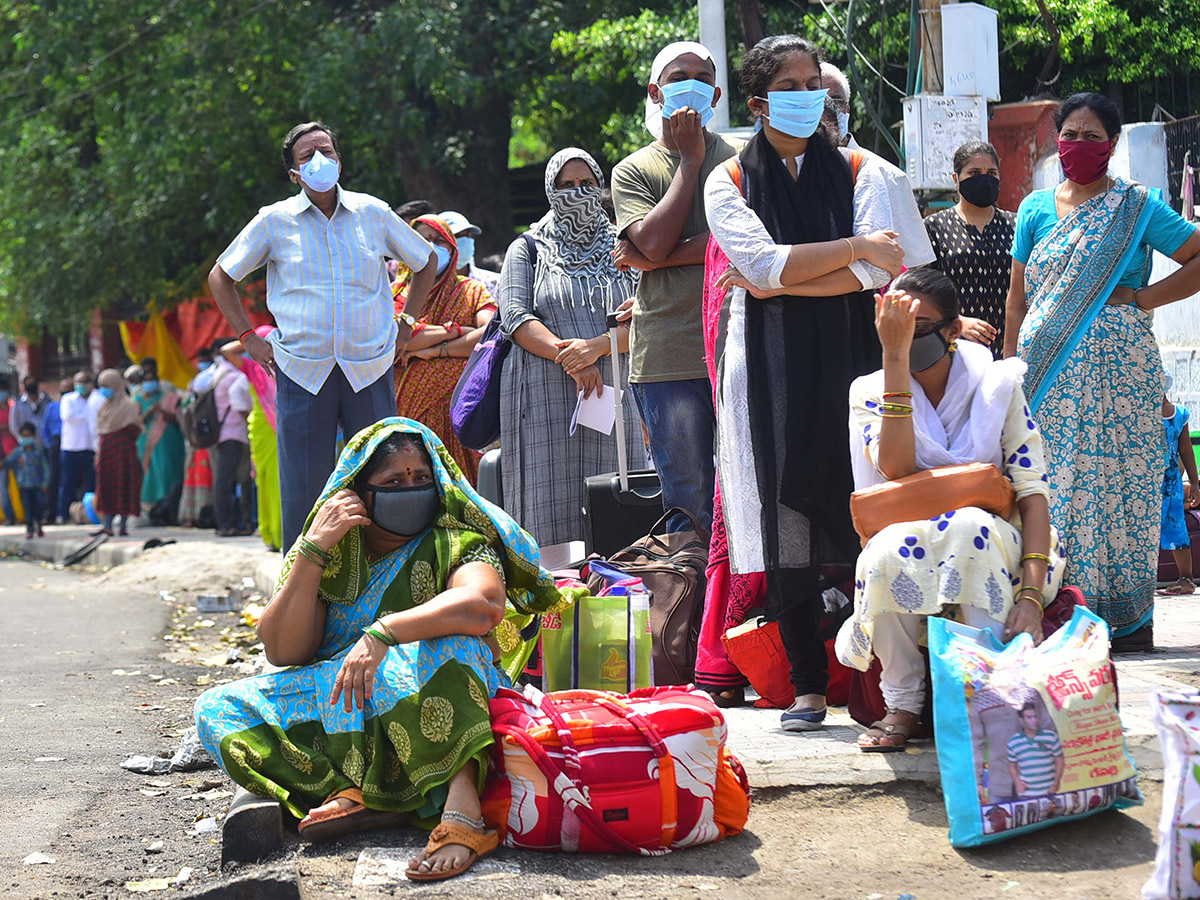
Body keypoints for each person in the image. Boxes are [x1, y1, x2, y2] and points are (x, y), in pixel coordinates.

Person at [193, 418, 567, 880]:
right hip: (348, 701)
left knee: (454, 643)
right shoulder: (333, 552)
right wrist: (313, 550)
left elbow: (484, 605)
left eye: (421, 479)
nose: (411, 489)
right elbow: (283, 649)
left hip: (428, 691)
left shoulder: (456, 540)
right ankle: (359, 791)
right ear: (359, 494)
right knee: (218, 708)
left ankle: (462, 804)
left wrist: (385, 632)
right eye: (394, 481)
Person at [700, 35, 910, 726]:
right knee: (781, 513)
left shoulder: (861, 170)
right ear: (760, 103)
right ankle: (808, 681)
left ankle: (880, 682)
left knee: (862, 499)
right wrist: (848, 251)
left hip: (853, 352)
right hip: (763, 363)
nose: (809, 94)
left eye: (813, 80)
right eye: (792, 84)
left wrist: (786, 280)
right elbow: (762, 267)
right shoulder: (726, 180)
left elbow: (879, 274)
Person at [834, 268, 1062, 750]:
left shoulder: (998, 384)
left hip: (997, 539)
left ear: (953, 330)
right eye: (892, 325)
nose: (904, 336)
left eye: (916, 327)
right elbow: (894, 467)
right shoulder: (868, 389)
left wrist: (1031, 596)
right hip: (910, 536)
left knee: (969, 527)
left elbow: (1032, 490)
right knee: (882, 553)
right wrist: (896, 361)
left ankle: (990, 693)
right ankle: (902, 703)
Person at [1005, 92, 1200, 650]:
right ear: (1057, 140)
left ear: (1112, 147)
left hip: (1123, 374)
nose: (1079, 146)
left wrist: (1142, 297)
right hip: (1048, 378)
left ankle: (1130, 620)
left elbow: (1195, 257)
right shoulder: (1036, 209)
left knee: (1125, 489)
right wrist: (1011, 368)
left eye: (1093, 138)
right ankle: (1065, 613)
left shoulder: (1137, 207)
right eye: (1071, 135)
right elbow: (1017, 300)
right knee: (1056, 489)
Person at [209, 120, 438, 553]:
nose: (320, 160)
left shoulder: (372, 212)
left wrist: (406, 323)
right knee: (305, 488)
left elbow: (424, 260)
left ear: (339, 159)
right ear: (294, 174)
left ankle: (381, 574)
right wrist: (247, 337)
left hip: (368, 365)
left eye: (327, 151)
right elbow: (221, 276)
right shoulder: (274, 221)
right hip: (302, 369)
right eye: (307, 156)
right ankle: (304, 592)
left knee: (383, 478)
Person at [610, 40, 738, 535]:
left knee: (747, 493)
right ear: (655, 92)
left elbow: (747, 243)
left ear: (718, 93)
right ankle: (691, 608)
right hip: (668, 360)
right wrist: (689, 160)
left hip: (735, 349)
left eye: (703, 78)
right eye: (679, 76)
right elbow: (656, 241)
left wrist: (652, 259)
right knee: (689, 504)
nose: (693, 86)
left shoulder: (742, 159)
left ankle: (745, 611)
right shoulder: (634, 169)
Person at [498, 148, 646, 568]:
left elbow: (648, 315)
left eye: (586, 184)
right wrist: (573, 359)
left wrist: (596, 347)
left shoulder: (625, 247)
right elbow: (515, 317)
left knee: (621, 495)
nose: (577, 194)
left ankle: (625, 594)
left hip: (615, 391)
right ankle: (552, 607)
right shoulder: (527, 248)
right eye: (566, 186)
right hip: (544, 397)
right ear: (550, 190)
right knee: (549, 505)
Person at [392, 214, 496, 484]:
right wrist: (456, 330)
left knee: (466, 485)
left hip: (463, 408)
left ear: (452, 248)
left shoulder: (470, 290)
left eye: (439, 240)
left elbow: (490, 332)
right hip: (408, 409)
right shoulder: (394, 293)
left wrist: (435, 351)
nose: (431, 246)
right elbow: (400, 340)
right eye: (422, 239)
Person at [924, 140, 1014, 358]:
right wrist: (958, 321)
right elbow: (923, 290)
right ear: (956, 179)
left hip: (1009, 346)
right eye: (974, 172)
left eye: (991, 173)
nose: (984, 179)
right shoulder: (934, 227)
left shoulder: (1016, 226)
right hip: (954, 345)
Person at [228, 330, 283, 550]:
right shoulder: (254, 368)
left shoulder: (286, 365)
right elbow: (227, 351)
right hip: (262, 431)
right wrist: (251, 339)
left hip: (284, 427)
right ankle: (270, 534)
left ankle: (281, 534)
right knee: (264, 480)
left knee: (281, 482)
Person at [211, 342, 255, 537]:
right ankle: (228, 524)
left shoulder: (219, 372)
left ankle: (227, 524)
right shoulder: (235, 376)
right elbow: (237, 396)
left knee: (225, 480)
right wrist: (250, 418)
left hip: (224, 434)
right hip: (234, 434)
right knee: (232, 480)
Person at [93, 369, 143, 536]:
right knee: (106, 487)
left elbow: (135, 430)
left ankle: (122, 525)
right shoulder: (104, 407)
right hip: (106, 454)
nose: (104, 389)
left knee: (124, 485)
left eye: (107, 386)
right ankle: (107, 525)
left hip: (123, 454)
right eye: (101, 386)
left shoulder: (128, 406)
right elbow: (101, 431)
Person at [134, 358, 186, 514]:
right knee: (151, 474)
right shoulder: (137, 397)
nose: (150, 383)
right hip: (146, 443)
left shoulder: (169, 396)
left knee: (167, 471)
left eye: (152, 380)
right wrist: (150, 412)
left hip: (169, 442)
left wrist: (161, 411)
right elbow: (137, 421)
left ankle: (169, 503)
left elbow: (178, 418)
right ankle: (152, 506)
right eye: (147, 380)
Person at [1160, 386, 1198, 594]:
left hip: (1170, 482)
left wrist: (1194, 482)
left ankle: (1186, 578)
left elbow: (1185, 449)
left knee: (1176, 526)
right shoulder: (1137, 414)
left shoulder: (1179, 414)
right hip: (1144, 481)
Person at [178, 349, 218, 528]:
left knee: (208, 475)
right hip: (195, 440)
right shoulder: (194, 384)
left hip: (207, 437)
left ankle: (206, 514)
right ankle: (191, 515)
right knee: (192, 476)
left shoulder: (211, 380)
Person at [58, 371, 102, 523]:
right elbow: (69, 417)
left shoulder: (96, 399)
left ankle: (89, 514)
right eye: (79, 382)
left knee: (91, 484)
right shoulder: (68, 399)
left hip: (90, 448)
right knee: (67, 483)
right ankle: (63, 514)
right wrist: (90, 417)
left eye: (85, 382)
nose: (81, 386)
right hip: (71, 447)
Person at [1006, 702, 1064, 799]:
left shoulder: (1050, 736)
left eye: (1035, 716)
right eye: (1029, 717)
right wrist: (1017, 782)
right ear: (1022, 720)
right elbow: (1011, 765)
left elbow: (1060, 760)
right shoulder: (1013, 742)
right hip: (1027, 793)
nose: (1034, 720)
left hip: (1049, 791)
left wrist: (1056, 783)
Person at [440, 211, 501, 298]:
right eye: (456, 236)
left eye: (468, 235)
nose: (465, 241)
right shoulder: (426, 287)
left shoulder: (495, 283)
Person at [3, 422, 49, 538]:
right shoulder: (18, 452)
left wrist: (45, 483)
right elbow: (7, 462)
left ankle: (39, 524)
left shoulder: (39, 451)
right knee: (27, 507)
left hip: (37, 484)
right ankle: (30, 529)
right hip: (24, 485)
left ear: (33, 436)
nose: (25, 438)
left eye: (28, 435)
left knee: (38, 506)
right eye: (23, 436)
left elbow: (45, 468)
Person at [10, 374, 50, 448]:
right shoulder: (19, 404)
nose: (31, 386)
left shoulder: (47, 400)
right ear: (25, 386)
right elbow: (14, 425)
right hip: (28, 445)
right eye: (29, 384)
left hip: (46, 443)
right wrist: (23, 439)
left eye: (33, 383)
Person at [0, 377, 17, 525]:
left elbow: (17, 428)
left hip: (17, 451)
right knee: (3, 489)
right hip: (1, 455)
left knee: (24, 485)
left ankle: (28, 515)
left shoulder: (13, 406)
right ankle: (9, 517)